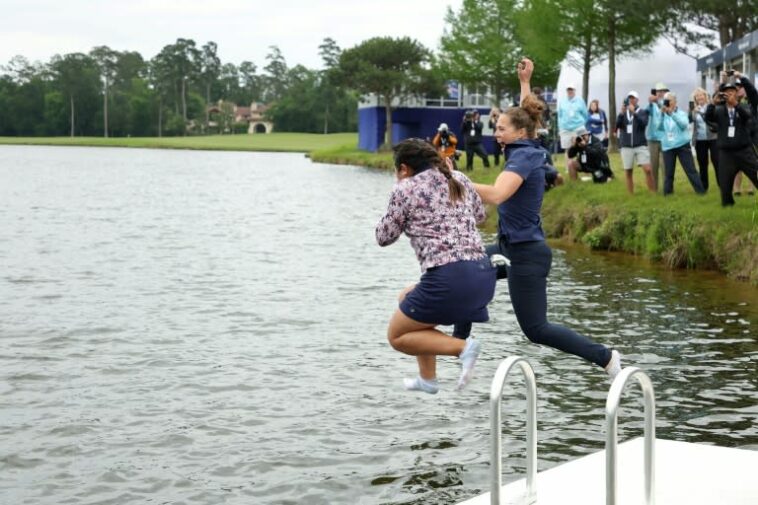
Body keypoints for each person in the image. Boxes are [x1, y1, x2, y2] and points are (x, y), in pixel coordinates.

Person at [472, 58, 622, 380]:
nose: (496, 133)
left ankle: (606, 357)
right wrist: (525, 82)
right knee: (463, 263)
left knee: (536, 329)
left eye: (501, 129)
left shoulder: (525, 155)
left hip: (526, 255)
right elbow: (526, 114)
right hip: (507, 246)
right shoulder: (527, 142)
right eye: (496, 127)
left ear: (519, 133)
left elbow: (497, 195)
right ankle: (458, 343)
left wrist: (454, 181)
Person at [375, 138, 497, 394]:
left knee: (397, 336)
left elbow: (383, 237)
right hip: (484, 275)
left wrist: (400, 196)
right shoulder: (459, 179)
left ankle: (462, 348)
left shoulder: (405, 188)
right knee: (407, 298)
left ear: (404, 169)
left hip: (449, 280)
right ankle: (428, 378)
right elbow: (480, 216)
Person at [704, 82, 758, 206]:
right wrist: (713, 103)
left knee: (756, 174)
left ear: (736, 93)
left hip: (744, 150)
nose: (729, 93)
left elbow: (748, 117)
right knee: (725, 183)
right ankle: (728, 205)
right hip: (726, 153)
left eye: (732, 91)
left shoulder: (743, 107)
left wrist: (736, 105)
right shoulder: (718, 110)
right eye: (726, 91)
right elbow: (708, 118)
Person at [654, 91, 706, 196]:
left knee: (690, 170)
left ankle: (701, 192)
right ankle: (668, 194)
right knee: (668, 173)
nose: (667, 102)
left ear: (674, 101)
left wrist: (671, 114)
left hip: (682, 145)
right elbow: (659, 128)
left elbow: (683, 125)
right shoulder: (662, 114)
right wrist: (662, 115)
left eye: (669, 100)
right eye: (666, 101)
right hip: (668, 147)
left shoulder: (681, 113)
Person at [615, 90, 656, 194]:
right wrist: (621, 113)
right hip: (626, 145)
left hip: (640, 145)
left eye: (633, 98)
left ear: (637, 100)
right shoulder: (623, 113)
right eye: (629, 98)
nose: (631, 100)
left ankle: (653, 193)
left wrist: (634, 113)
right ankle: (630, 195)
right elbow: (617, 126)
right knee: (628, 171)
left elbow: (644, 123)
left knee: (647, 169)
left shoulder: (642, 112)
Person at [732, 71, 758, 196]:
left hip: (753, 136)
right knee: (738, 163)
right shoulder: (732, 103)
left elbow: (752, 91)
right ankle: (736, 188)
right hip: (739, 137)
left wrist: (741, 77)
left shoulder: (752, 101)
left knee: (753, 162)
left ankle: (751, 187)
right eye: (737, 88)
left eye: (741, 87)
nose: (739, 90)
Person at [690, 87, 720, 192]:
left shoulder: (711, 107)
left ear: (705, 96)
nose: (699, 98)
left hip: (713, 138)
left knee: (717, 161)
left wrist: (702, 113)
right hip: (700, 139)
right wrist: (693, 112)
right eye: (697, 96)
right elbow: (690, 121)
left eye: (701, 95)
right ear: (695, 99)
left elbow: (715, 118)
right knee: (702, 163)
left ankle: (722, 185)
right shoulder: (694, 110)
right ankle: (704, 186)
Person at [558, 83, 588, 171]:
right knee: (567, 149)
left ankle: (583, 167)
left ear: (574, 90)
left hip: (578, 127)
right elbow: (560, 116)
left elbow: (585, 114)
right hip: (565, 128)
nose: (570, 91)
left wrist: (582, 124)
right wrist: (561, 127)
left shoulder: (580, 100)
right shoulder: (562, 101)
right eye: (568, 90)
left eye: (571, 89)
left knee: (581, 146)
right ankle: (569, 168)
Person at [646, 82, 669, 191]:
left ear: (666, 92)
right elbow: (647, 112)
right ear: (655, 93)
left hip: (665, 139)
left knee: (665, 165)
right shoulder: (651, 104)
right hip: (653, 139)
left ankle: (666, 188)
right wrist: (651, 103)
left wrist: (658, 103)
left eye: (662, 91)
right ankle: (654, 189)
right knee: (653, 165)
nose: (660, 93)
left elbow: (667, 111)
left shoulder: (668, 103)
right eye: (658, 91)